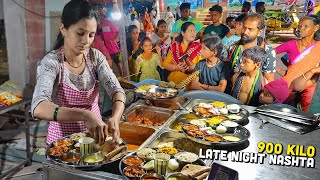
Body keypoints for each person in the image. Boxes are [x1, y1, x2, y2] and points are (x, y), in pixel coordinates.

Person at [31, 0, 125, 147]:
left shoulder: (95, 58)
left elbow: (117, 91)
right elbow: (38, 107)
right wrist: (84, 115)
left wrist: (115, 118)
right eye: (80, 33)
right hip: (62, 145)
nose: (86, 41)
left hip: (95, 139)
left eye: (91, 35)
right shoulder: (52, 62)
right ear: (63, 29)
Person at [228, 13, 276, 83]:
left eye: (250, 29)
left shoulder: (268, 52)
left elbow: (269, 81)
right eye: (244, 27)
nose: (245, 32)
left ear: (259, 32)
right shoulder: (233, 47)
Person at [97, 4, 123, 77]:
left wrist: (112, 39)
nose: (100, 18)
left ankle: (122, 77)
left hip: (113, 48)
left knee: (118, 63)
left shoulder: (109, 23)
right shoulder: (100, 25)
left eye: (101, 17)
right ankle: (112, 78)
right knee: (109, 64)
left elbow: (118, 33)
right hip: (106, 48)